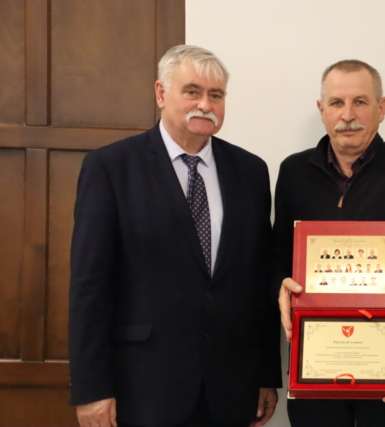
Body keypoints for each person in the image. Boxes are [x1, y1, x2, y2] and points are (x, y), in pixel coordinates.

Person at [68, 45, 280, 427]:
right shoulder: (111, 167)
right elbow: (89, 288)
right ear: (161, 93)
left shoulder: (250, 171)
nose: (205, 105)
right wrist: (91, 387)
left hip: (231, 389)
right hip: (143, 388)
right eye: (192, 91)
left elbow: (257, 282)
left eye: (216, 95)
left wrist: (267, 375)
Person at [273, 59, 385, 427]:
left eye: (360, 102)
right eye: (336, 102)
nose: (347, 115)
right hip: (315, 364)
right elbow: (278, 257)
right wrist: (279, 285)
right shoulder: (293, 172)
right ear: (322, 110)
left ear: (382, 108)